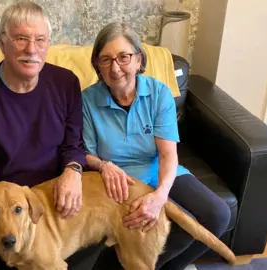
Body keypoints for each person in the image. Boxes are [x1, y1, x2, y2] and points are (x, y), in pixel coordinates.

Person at [0, 2, 105, 269]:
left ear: (48, 44)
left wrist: (73, 170)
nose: (31, 49)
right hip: (0, 192)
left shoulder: (66, 83)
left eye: (39, 40)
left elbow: (74, 144)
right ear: (3, 43)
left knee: (89, 207)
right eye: (21, 39)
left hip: (51, 187)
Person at [82, 22, 231, 270]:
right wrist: (104, 165)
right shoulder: (87, 99)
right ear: (97, 64)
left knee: (217, 215)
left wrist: (160, 196)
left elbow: (167, 154)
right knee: (171, 225)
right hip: (119, 182)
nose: (115, 67)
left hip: (156, 169)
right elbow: (86, 153)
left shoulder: (159, 93)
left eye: (123, 57)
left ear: (139, 59)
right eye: (105, 59)